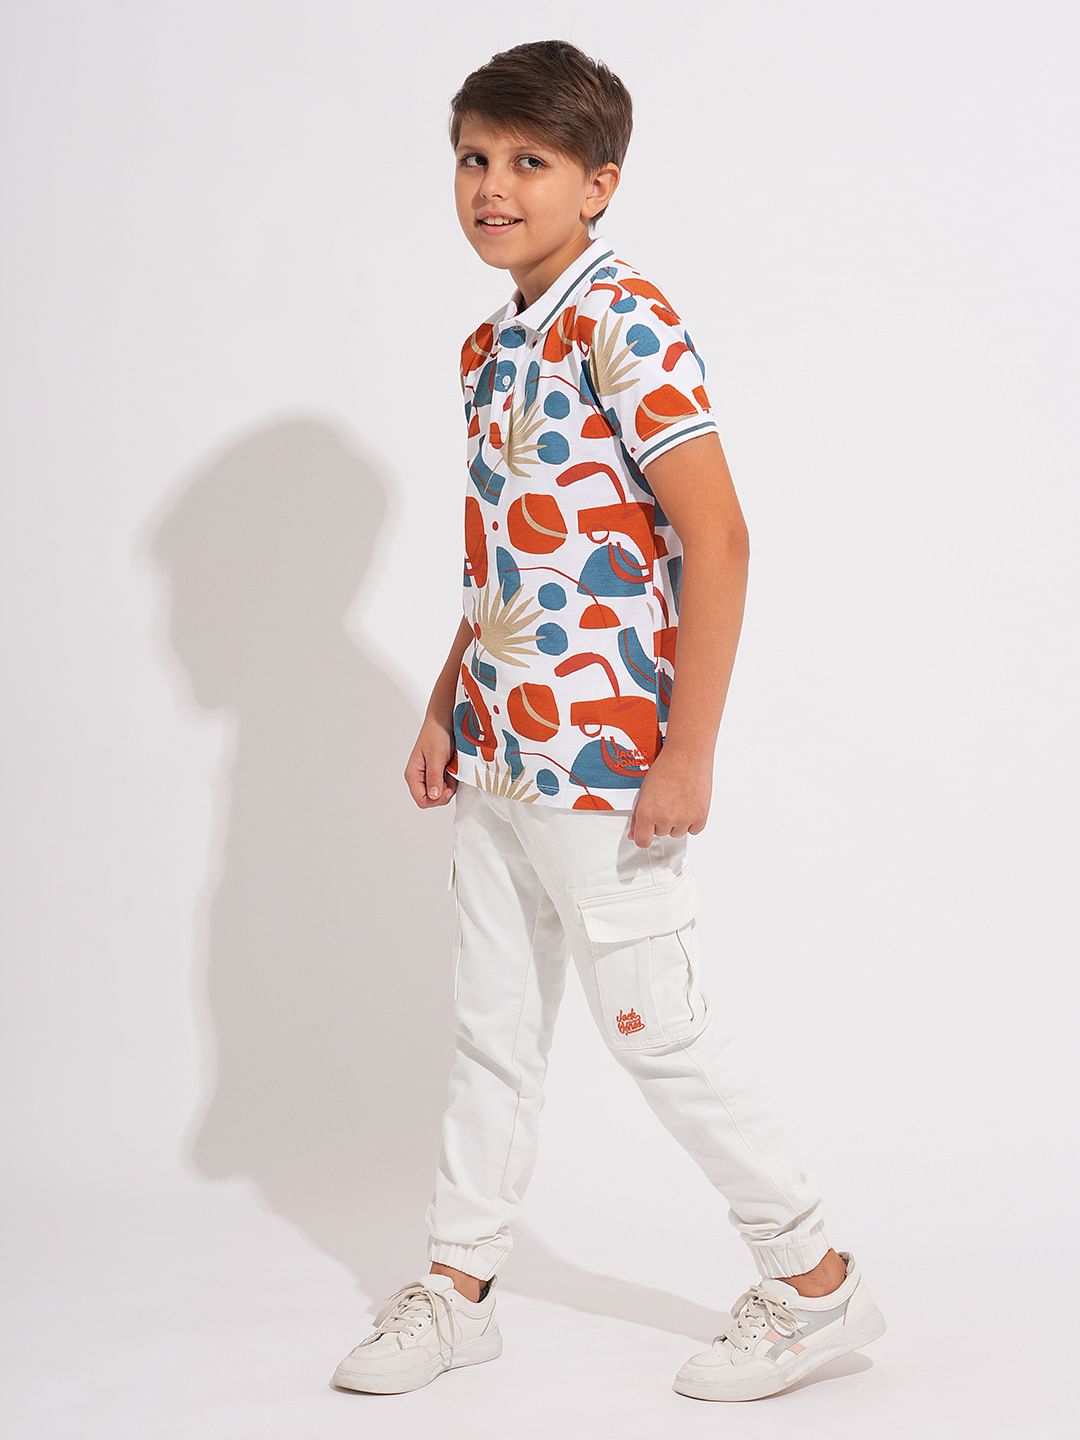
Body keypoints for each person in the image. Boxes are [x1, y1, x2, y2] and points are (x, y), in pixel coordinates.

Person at [331, 39, 886, 1404]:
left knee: (655, 1028)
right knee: (492, 1028)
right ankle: (459, 1286)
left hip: (608, 759)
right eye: (474, 157)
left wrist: (688, 749)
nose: (492, 185)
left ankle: (815, 1281)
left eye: (530, 161)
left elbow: (719, 537)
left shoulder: (622, 319)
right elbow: (508, 551)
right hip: (500, 749)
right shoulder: (491, 345)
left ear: (599, 183)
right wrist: (448, 700)